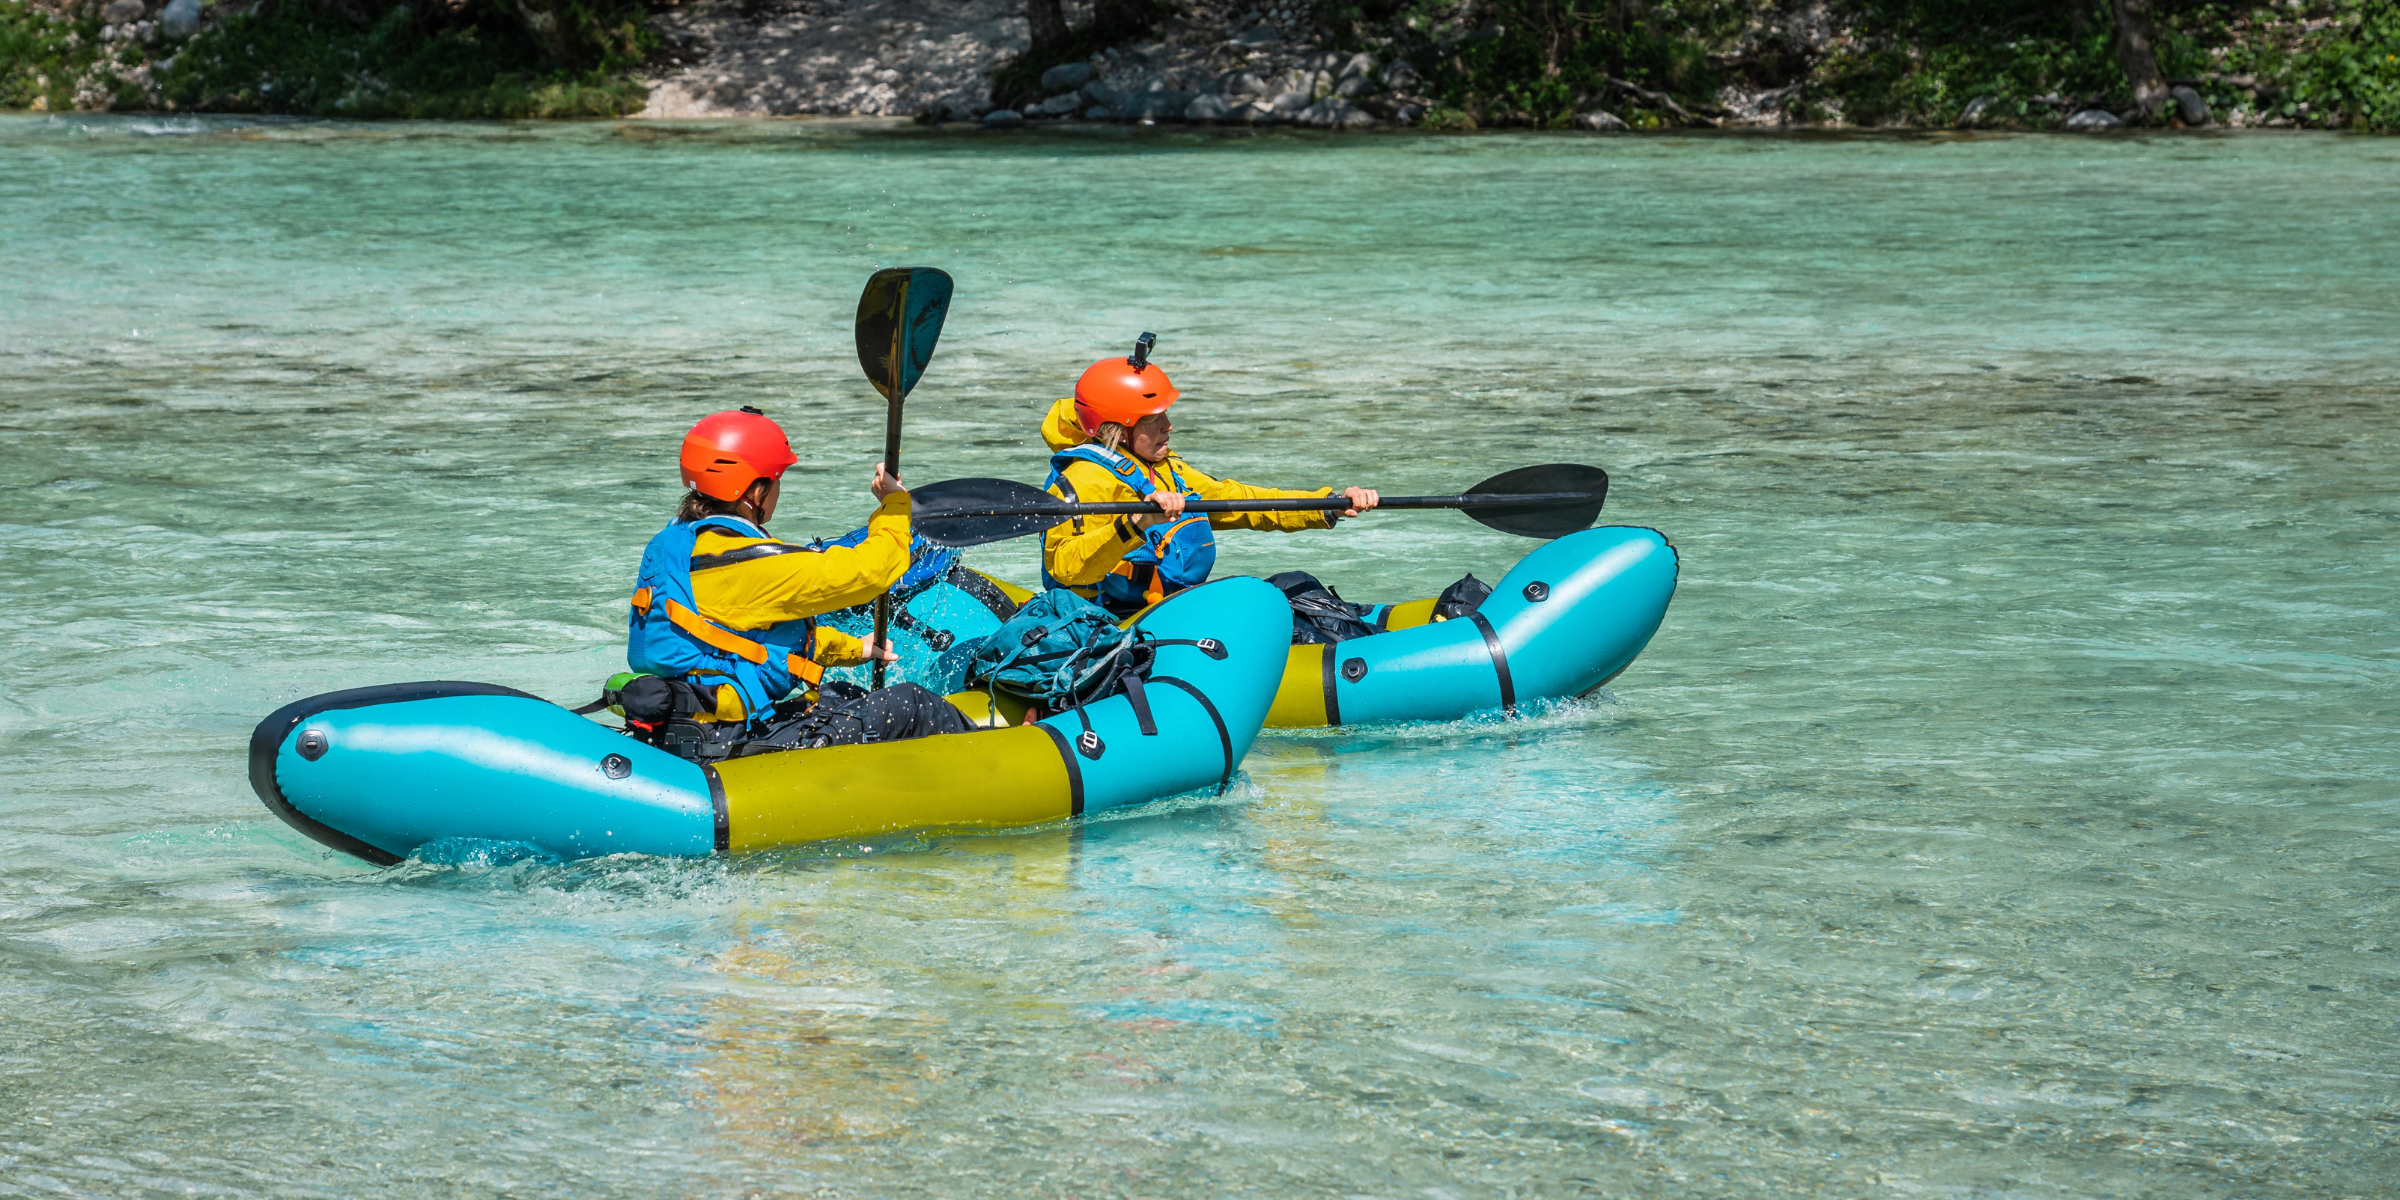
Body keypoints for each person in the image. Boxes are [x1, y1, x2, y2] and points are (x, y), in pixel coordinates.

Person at [622, 407, 969, 760]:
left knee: (841, 693)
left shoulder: (679, 545)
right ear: (753, 493)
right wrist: (894, 505)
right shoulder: (742, 563)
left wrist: (856, 649)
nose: (777, 491)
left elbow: (736, 642)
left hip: (690, 728)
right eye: (775, 480)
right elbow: (873, 572)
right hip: (725, 742)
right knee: (911, 704)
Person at [1038, 334, 1380, 616]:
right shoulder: (1082, 479)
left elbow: (1245, 502)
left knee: (1294, 584)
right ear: (1116, 429)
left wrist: (1328, 505)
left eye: (1165, 415)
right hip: (1109, 623)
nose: (1168, 427)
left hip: (1169, 610)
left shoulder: (1167, 470)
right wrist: (1135, 523)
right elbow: (1065, 569)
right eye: (1152, 420)